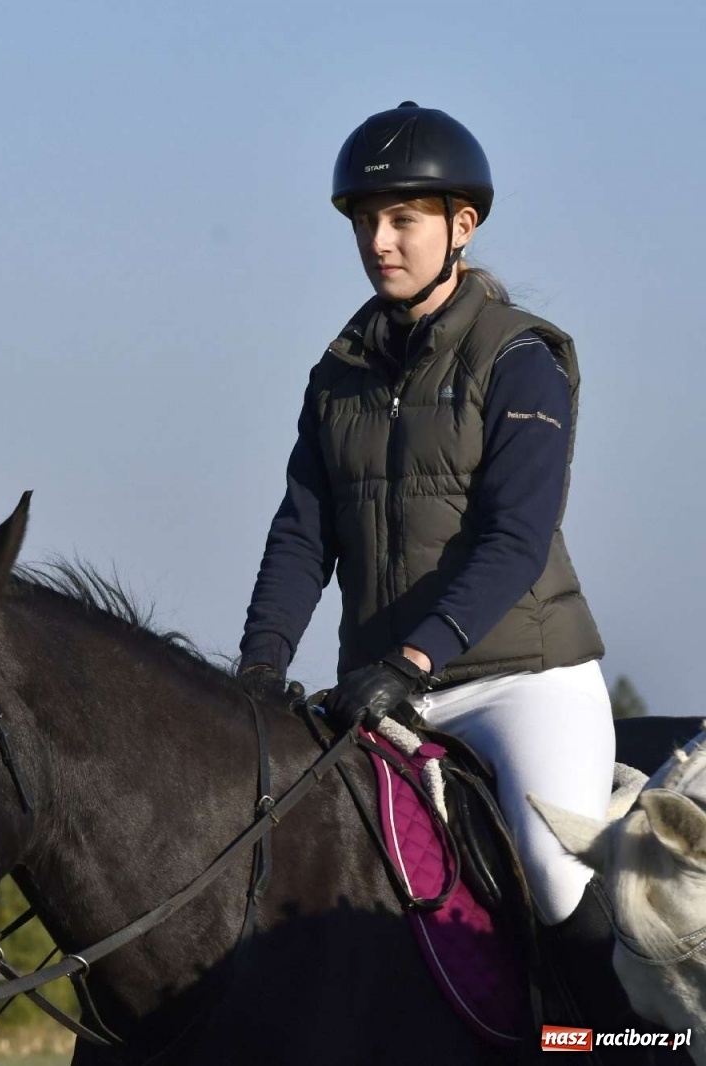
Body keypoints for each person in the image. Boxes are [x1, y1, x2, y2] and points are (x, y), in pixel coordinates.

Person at [237, 103, 625, 1026]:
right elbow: (300, 534)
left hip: (519, 683)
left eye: (403, 218)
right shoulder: (336, 374)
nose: (380, 240)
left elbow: (515, 537)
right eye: (366, 221)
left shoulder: (523, 359)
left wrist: (413, 662)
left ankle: (618, 1040)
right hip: (378, 689)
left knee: (550, 871)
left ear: (462, 225)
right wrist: (256, 672)